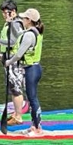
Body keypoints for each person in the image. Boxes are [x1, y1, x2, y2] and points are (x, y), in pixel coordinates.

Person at [0, 0, 25, 125]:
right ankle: (16, 113)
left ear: (13, 12)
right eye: (3, 12)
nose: (4, 15)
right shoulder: (10, 23)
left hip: (14, 60)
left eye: (6, 12)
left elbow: (13, 42)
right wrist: (3, 54)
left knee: (16, 88)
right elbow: (8, 42)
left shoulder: (15, 24)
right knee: (12, 88)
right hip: (9, 57)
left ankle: (19, 116)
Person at [6, 8, 44, 136]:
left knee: (32, 99)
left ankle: (38, 129)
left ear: (29, 20)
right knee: (31, 98)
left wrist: (8, 62)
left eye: (23, 18)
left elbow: (18, 55)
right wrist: (11, 22)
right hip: (34, 68)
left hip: (32, 70)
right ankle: (34, 126)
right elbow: (18, 35)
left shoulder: (29, 35)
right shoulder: (35, 31)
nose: (22, 20)